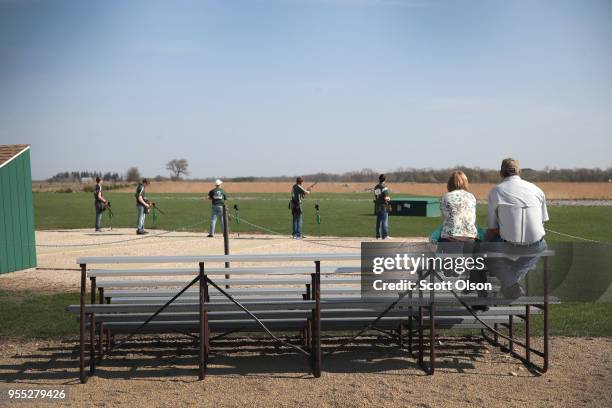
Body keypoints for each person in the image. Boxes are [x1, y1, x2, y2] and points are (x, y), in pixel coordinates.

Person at [485, 158, 549, 298]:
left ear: (501, 173)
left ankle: (511, 284)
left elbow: (492, 229)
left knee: (486, 253)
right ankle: (511, 284)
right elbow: (543, 220)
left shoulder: (495, 191)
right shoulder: (537, 190)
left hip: (509, 245)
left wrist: (484, 243)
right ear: (519, 172)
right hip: (536, 244)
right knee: (542, 246)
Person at [439, 171, 478, 242]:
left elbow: (443, 220)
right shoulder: (471, 197)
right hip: (470, 238)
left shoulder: (445, 197)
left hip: (450, 238)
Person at [373, 174, 391, 239]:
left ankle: (378, 236)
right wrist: (389, 199)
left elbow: (377, 197)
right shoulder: (384, 187)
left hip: (378, 206)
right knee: (384, 221)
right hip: (384, 206)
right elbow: (386, 197)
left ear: (379, 179)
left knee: (379, 221)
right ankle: (385, 235)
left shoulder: (376, 187)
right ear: (385, 180)